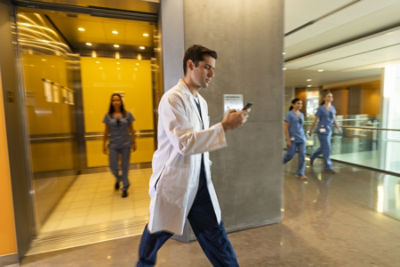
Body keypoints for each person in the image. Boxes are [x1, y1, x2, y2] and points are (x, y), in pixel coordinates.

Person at [136, 45, 250, 267]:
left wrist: (223, 125)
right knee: (156, 233)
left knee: (216, 236)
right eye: (207, 67)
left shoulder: (200, 101)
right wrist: (224, 127)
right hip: (176, 181)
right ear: (191, 65)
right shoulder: (172, 99)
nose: (212, 74)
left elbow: (199, 138)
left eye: (213, 68)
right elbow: (185, 143)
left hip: (200, 182)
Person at [103, 93, 136, 198]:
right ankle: (119, 178)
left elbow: (132, 130)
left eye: (117, 100)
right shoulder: (108, 116)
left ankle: (125, 187)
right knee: (113, 166)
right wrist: (103, 144)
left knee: (125, 167)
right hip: (113, 145)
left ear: (121, 101)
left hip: (126, 144)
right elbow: (106, 131)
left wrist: (134, 142)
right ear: (111, 102)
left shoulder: (128, 114)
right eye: (113, 100)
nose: (116, 102)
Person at [308, 91, 342, 173]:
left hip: (329, 130)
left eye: (331, 96)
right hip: (322, 130)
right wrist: (311, 130)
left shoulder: (333, 108)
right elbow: (315, 121)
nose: (330, 98)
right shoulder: (321, 109)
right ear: (325, 98)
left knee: (323, 148)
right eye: (328, 96)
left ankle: (312, 157)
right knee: (327, 148)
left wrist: (338, 128)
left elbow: (334, 120)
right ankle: (328, 167)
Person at [283, 98, 307, 179]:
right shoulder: (289, 114)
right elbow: (285, 128)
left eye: (301, 103)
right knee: (290, 155)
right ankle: (277, 164)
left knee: (302, 155)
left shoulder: (302, 115)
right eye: (298, 103)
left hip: (302, 139)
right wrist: (288, 139)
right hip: (292, 139)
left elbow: (301, 127)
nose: (300, 105)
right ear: (293, 104)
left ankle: (301, 173)